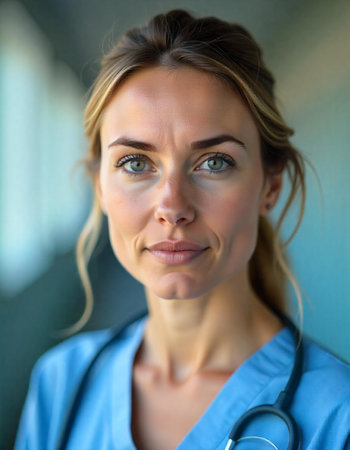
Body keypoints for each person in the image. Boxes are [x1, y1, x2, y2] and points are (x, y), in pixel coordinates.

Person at [16, 9, 350, 450]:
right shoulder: (62, 383)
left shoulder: (337, 415)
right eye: (136, 163)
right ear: (98, 184)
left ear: (270, 185)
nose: (172, 207)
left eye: (215, 162)